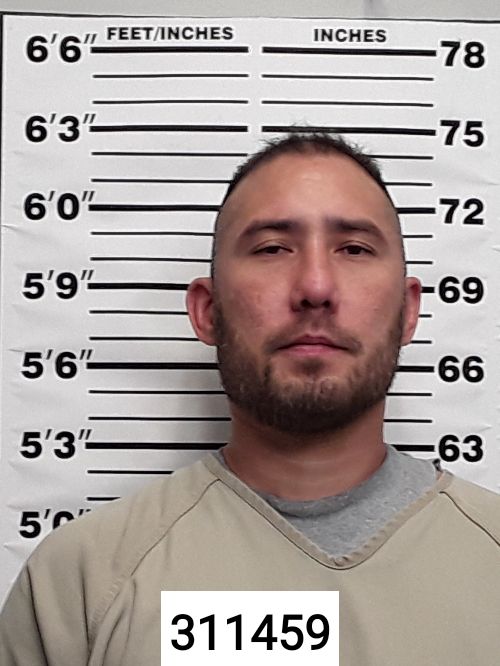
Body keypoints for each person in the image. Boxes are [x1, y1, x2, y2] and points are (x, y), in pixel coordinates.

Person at [1, 132, 500, 665]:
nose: (315, 287)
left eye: (354, 248)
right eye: (272, 249)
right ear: (208, 312)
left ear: (408, 311)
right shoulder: (78, 583)